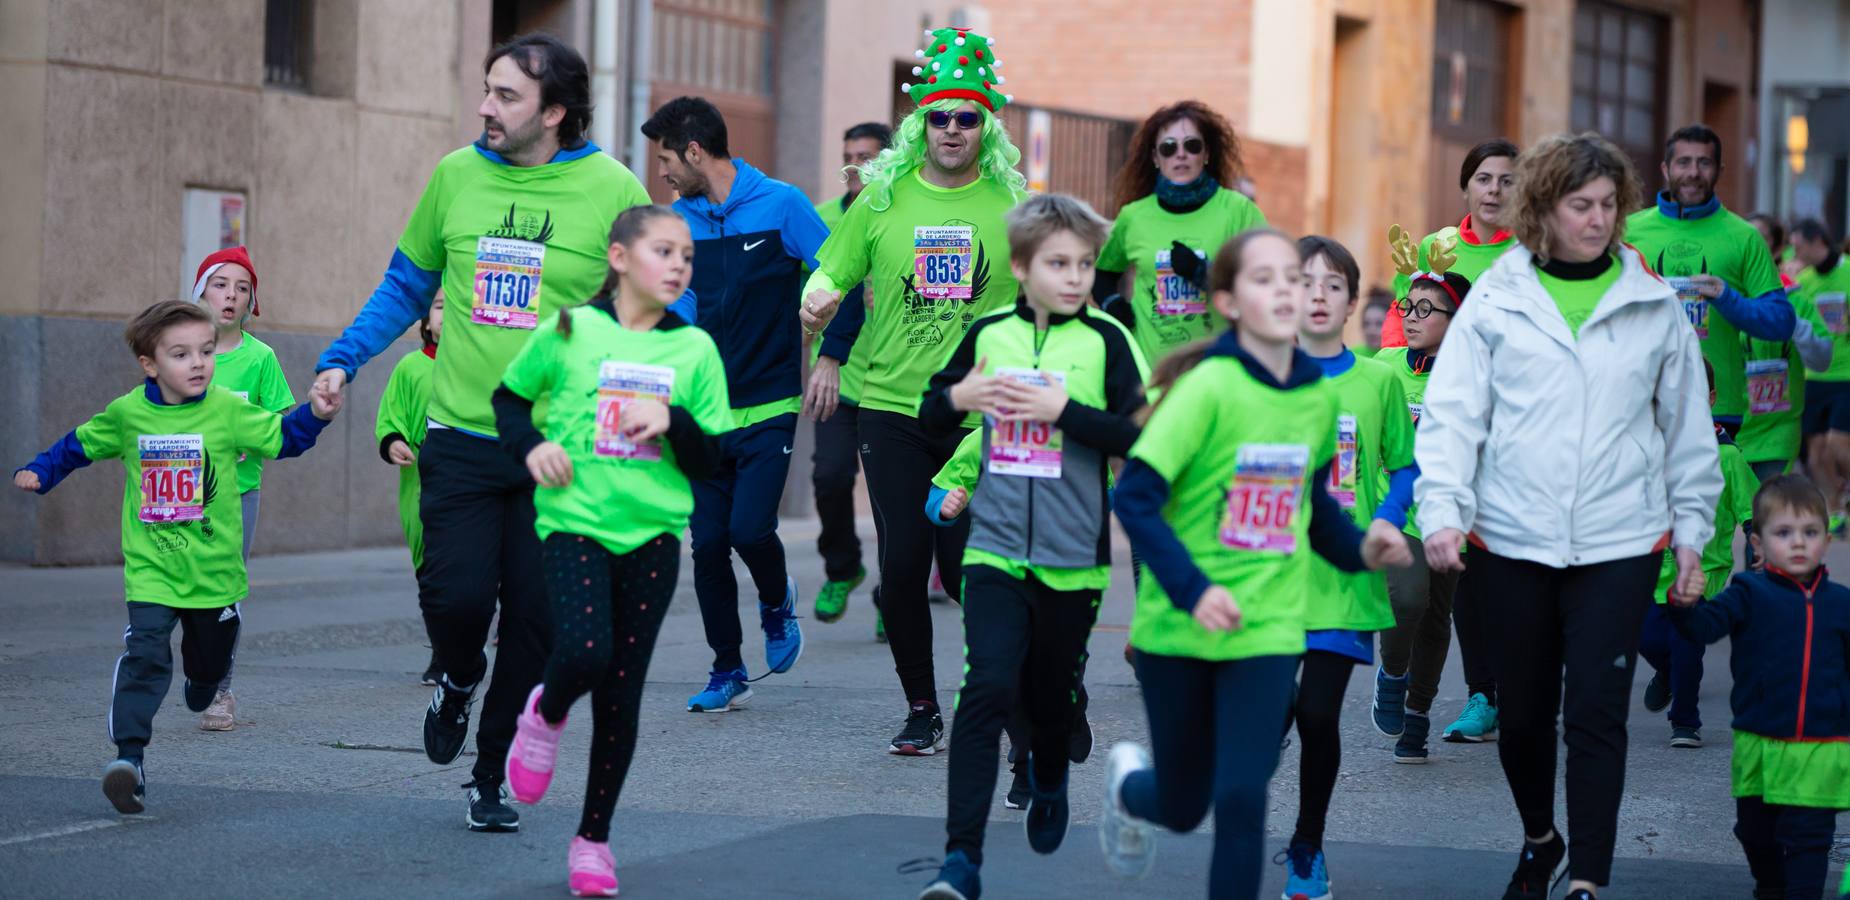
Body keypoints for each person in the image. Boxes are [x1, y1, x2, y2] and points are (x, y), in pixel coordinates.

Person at [311, 33, 656, 832]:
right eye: (487, 90)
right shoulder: (455, 176)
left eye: (506, 96)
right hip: (463, 433)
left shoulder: (612, 188)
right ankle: (460, 677)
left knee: (535, 624)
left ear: (556, 112)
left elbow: (659, 300)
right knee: (457, 599)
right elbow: (406, 282)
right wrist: (343, 359)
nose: (485, 108)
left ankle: (490, 772)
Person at [1416, 132, 1721, 900]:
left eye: (1607, 205)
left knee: (1595, 711)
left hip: (1619, 540)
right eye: (1578, 205)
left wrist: (1692, 534)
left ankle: (1588, 878)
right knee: (1522, 718)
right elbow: (1452, 417)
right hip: (1510, 536)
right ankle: (1539, 838)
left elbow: (1685, 427)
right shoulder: (1495, 298)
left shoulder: (1651, 304)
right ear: (1541, 210)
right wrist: (1442, 513)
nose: (1595, 219)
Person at [1097, 229, 1412, 899]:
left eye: (1292, 279)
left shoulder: (1317, 398)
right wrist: (1192, 590)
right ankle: (1130, 789)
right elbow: (1135, 496)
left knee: (1242, 801)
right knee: (1184, 805)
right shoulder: (1208, 388)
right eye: (1262, 279)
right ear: (1228, 302)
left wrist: (1362, 548)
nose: (1286, 290)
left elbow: (1315, 509)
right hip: (1183, 628)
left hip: (1269, 624)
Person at [13, 300, 340, 815]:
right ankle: (130, 760)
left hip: (215, 576)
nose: (198, 364)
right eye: (181, 354)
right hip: (152, 570)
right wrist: (41, 469)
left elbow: (283, 438)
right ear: (150, 364)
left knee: (209, 664)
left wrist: (317, 415)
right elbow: (80, 443)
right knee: (144, 657)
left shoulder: (228, 410)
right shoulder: (128, 414)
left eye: (206, 352)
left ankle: (203, 681)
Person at [912, 195, 1148, 900]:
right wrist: (960, 398)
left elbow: (1142, 436)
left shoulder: (1106, 340)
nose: (1076, 277)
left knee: (1051, 699)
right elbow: (931, 411)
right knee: (984, 689)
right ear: (1020, 267)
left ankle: (1048, 772)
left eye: (1083, 264)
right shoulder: (987, 333)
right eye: (1058, 264)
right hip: (994, 547)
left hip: (1075, 557)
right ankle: (960, 862)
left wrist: (1065, 414)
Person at [800, 25, 1027, 754]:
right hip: (893, 405)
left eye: (966, 116)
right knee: (903, 560)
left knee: (966, 568)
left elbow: (1046, 293)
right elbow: (834, 267)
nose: (952, 128)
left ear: (984, 124)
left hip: (976, 412)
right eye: (939, 116)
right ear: (919, 121)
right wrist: (818, 297)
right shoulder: (882, 197)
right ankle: (922, 704)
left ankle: (999, 687)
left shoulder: (1010, 205)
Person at [494, 206, 733, 899]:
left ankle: (592, 841)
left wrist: (674, 419)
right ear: (621, 257)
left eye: (687, 254)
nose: (680, 264)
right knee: (586, 651)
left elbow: (713, 457)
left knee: (623, 693)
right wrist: (532, 445)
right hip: (574, 520)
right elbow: (509, 401)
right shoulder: (569, 330)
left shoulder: (694, 350)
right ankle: (544, 711)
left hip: (653, 532)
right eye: (665, 250)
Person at [640, 96, 829, 711]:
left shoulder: (783, 205)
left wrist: (831, 348)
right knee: (708, 543)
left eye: (667, 159)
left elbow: (839, 276)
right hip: (701, 411)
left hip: (769, 400)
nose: (663, 172)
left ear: (695, 152)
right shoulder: (678, 221)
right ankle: (727, 669)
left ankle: (778, 602)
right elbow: (680, 298)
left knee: (751, 530)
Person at [1277, 234, 1417, 899]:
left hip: (1344, 573)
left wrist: (1388, 517)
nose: (1320, 294)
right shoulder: (1257, 371)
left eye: (1334, 284)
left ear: (1351, 299)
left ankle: (1308, 846)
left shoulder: (1379, 378)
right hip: (1269, 576)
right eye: (1306, 282)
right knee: (1274, 707)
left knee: (1318, 715)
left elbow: (1405, 465)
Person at [1668, 475, 1849, 900]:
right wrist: (1684, 603)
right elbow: (1703, 628)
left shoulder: (1841, 604)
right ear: (1759, 544)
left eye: (1810, 532)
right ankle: (1770, 885)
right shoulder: (1748, 592)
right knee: (1753, 831)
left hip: (1820, 748)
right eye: (1783, 533)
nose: (1799, 542)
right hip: (1760, 741)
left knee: (1809, 840)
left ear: (1826, 539)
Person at [1368, 229, 1483, 759]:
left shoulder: (1475, 374)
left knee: (1437, 618)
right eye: (1406, 306)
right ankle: (1392, 676)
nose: (1411, 316)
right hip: (1400, 513)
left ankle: (1416, 715)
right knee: (1408, 599)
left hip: (1455, 514)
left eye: (1426, 309)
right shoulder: (1384, 367)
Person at [1625, 124, 1793, 437]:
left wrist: (1727, 298)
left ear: (1719, 170)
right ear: (1666, 168)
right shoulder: (1628, 231)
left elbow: (1781, 322)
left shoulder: (1744, 237)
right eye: (1683, 162)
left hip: (1715, 404)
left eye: (1704, 163)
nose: (1693, 172)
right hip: (1641, 396)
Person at [188, 245, 293, 732]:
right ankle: (193, 671)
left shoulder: (260, 358)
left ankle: (221, 691)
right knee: (177, 588)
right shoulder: (181, 349)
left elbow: (278, 422)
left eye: (243, 288)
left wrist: (255, 439)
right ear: (200, 292)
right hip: (179, 492)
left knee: (224, 590)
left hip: (237, 493)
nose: (231, 295)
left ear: (253, 302)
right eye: (221, 284)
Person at [1639, 359, 1758, 749]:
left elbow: (1753, 508)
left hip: (1703, 575)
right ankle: (1667, 675)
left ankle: (1685, 721)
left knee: (1686, 646)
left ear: (1709, 399)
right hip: (1654, 575)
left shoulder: (1727, 458)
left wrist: (1758, 538)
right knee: (1648, 639)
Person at [1093, 99, 1268, 364]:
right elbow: (1102, 274)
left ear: (1206, 154)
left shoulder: (1238, 211)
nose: (1181, 154)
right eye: (1168, 148)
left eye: (1192, 145)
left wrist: (1205, 275)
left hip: (1220, 368)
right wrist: (1112, 303)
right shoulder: (1134, 216)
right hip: (1150, 373)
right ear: (1155, 158)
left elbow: (1266, 280)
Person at [807, 121, 892, 629]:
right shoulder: (822, 220)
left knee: (890, 495)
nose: (855, 166)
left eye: (867, 156)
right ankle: (843, 568)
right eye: (848, 155)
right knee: (829, 477)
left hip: (888, 379)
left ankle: (892, 593)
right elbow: (807, 285)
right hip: (833, 379)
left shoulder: (893, 217)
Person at [1379, 139, 1521, 349]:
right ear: (1465, 188)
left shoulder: (1528, 254)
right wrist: (1400, 364)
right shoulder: (1435, 246)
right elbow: (1400, 312)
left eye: (1507, 182)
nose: (1494, 190)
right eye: (1483, 179)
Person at [376, 292, 445, 685]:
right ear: (425, 318)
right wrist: (392, 441)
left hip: (471, 484)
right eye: (439, 306)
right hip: (420, 488)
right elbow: (391, 416)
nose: (447, 315)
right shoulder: (410, 368)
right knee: (430, 573)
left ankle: (458, 651)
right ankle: (443, 650)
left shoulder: (480, 368)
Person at [1738, 215, 1832, 488]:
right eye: (1746, 240)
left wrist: (1792, 323)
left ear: (1777, 248)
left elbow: (1821, 359)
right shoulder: (1727, 297)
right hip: (1734, 430)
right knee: (1728, 524)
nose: (1751, 246)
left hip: (1778, 431)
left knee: (1766, 516)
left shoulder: (1796, 300)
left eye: (1760, 239)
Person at [1793, 220, 1850, 530]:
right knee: (1814, 454)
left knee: (1838, 444)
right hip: (1812, 375)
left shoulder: (1848, 272)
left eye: (1799, 246)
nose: (1796, 252)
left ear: (1818, 242)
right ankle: (1836, 509)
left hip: (1846, 373)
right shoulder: (1804, 281)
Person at [1356, 288, 1392, 358]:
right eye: (1366, 324)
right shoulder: (1353, 356)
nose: (1371, 330)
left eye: (1379, 324)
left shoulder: (1399, 358)